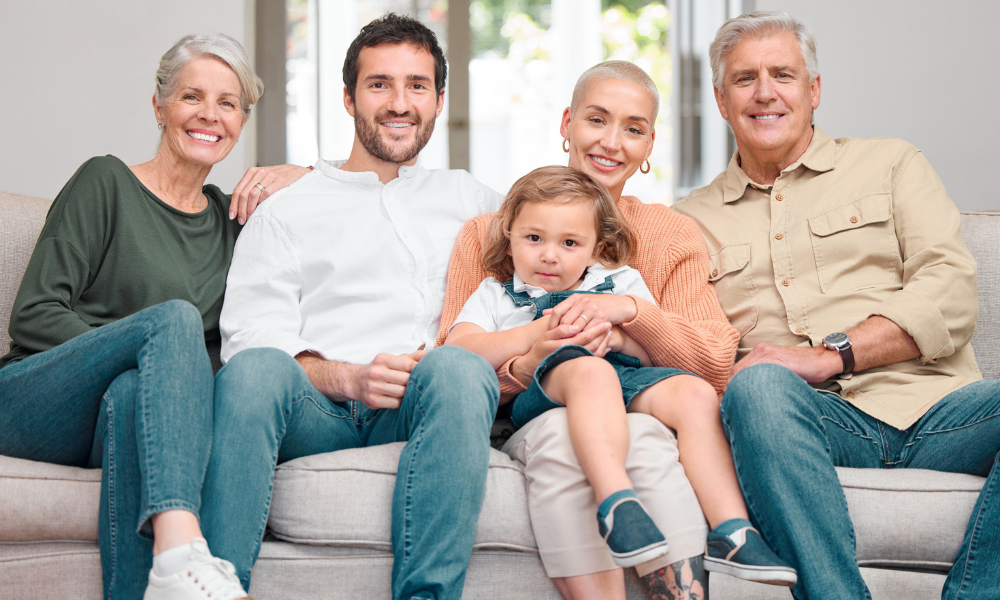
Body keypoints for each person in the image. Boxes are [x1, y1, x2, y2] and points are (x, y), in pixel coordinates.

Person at [671, 10, 1000, 600]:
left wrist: (831, 355)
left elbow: (949, 290)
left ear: (814, 89)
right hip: (810, 422)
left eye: (783, 75)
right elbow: (690, 341)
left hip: (942, 411)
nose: (765, 92)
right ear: (722, 101)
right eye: (745, 79)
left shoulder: (891, 164)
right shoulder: (689, 220)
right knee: (759, 388)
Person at [0, 34, 310, 600]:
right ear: (160, 105)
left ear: (242, 119)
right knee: (172, 324)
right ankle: (180, 543)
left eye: (229, 103)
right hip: (32, 398)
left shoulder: (231, 222)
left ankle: (161, 583)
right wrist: (139, 344)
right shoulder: (106, 181)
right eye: (193, 96)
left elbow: (348, 205)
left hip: (118, 413)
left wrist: (303, 172)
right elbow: (33, 314)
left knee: (134, 392)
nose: (210, 116)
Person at [208, 14, 502, 600]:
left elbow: (559, 242)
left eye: (417, 85)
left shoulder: (470, 198)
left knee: (460, 367)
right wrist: (349, 376)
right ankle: (215, 587)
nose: (399, 103)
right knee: (254, 369)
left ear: (440, 99)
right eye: (379, 85)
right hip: (319, 412)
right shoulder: (290, 207)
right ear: (348, 98)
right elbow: (250, 338)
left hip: (422, 403)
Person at [437, 61, 739, 600]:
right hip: (536, 409)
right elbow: (453, 371)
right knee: (560, 440)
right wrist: (532, 358)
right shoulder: (496, 230)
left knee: (646, 442)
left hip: (639, 401)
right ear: (567, 123)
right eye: (596, 119)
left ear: (649, 144)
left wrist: (627, 322)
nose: (611, 142)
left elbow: (714, 363)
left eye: (634, 127)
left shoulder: (671, 234)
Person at [446, 164, 796, 584]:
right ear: (509, 241)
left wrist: (618, 339)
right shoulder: (496, 294)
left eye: (570, 242)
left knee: (694, 394)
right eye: (534, 238)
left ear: (596, 250)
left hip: (622, 378)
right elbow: (458, 350)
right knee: (590, 372)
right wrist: (536, 335)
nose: (549, 254)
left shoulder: (621, 281)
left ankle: (732, 531)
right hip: (547, 386)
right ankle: (617, 502)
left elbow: (655, 354)